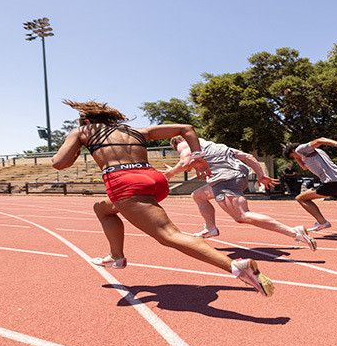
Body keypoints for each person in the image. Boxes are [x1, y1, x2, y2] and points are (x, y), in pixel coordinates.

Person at [52, 100, 274, 297]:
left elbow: (59, 163)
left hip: (125, 183)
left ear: (88, 120)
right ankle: (116, 256)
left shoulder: (84, 130)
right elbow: (186, 128)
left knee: (169, 236)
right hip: (154, 180)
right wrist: (197, 156)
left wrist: (77, 144)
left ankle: (237, 267)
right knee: (102, 209)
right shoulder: (137, 131)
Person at [163, 136, 317, 251]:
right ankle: (210, 228)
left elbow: (184, 163)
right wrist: (261, 175)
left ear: (177, 143)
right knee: (198, 195)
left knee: (242, 216)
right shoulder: (216, 146)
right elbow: (248, 156)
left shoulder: (185, 144)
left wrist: (170, 173)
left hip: (225, 180)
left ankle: (294, 232)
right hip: (240, 177)